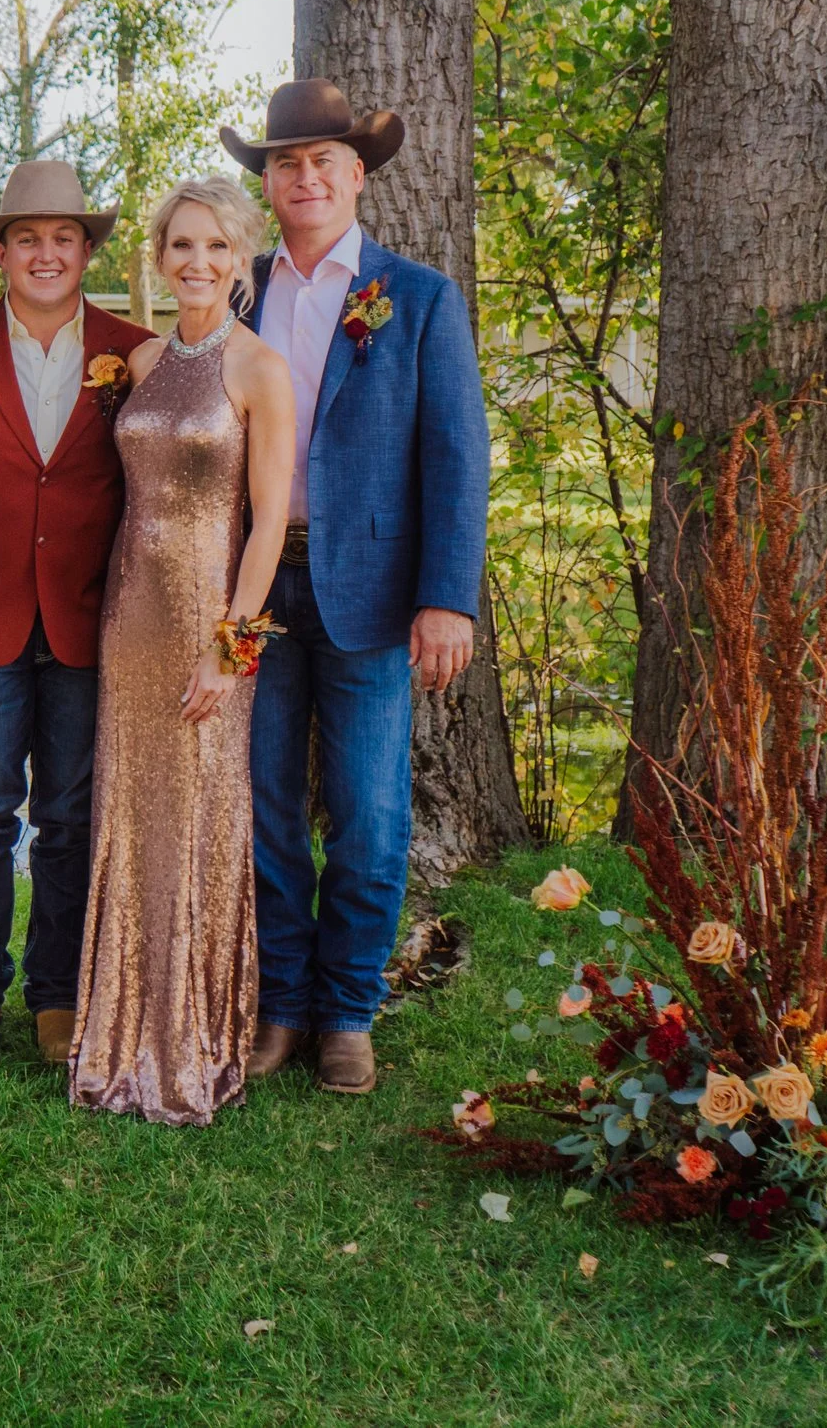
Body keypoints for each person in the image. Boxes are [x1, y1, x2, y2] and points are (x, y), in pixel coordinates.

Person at [222, 79, 490, 1096]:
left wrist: (446, 595)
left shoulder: (414, 296)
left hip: (373, 593)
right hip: (255, 587)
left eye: (322, 160)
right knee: (264, 810)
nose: (304, 176)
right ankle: (280, 1003)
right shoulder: (237, 288)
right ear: (271, 181)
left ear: (356, 175)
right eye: (286, 162)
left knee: (372, 817)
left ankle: (348, 1009)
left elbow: (455, 454)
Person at [70, 175, 296, 1126]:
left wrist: (231, 648)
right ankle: (115, 1028)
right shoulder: (144, 358)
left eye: (213, 247)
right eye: (179, 247)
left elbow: (271, 519)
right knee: (129, 810)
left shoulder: (259, 369)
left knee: (199, 817)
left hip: (208, 631)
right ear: (158, 260)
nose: (195, 262)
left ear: (237, 257)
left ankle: (195, 1035)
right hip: (130, 621)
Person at [0, 162, 151, 1065]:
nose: (45, 253)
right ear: (0, 252)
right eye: (27, 238)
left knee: (71, 814)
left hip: (93, 620)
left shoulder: (135, 350)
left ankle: (60, 994)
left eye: (64, 237)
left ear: (87, 249)